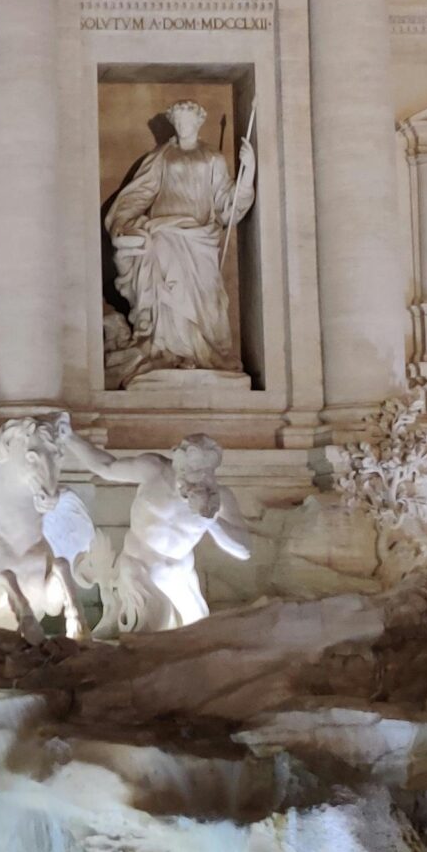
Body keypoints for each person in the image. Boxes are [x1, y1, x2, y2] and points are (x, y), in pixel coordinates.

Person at [105, 100, 254, 382]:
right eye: (179, 121)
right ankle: (167, 351)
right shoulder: (162, 156)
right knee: (165, 291)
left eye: (188, 121)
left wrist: (248, 175)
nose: (183, 126)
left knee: (206, 298)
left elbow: (227, 204)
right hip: (163, 232)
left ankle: (202, 353)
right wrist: (123, 224)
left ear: (199, 123)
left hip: (201, 239)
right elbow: (140, 193)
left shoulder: (213, 158)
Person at [79, 434, 251, 634]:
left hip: (179, 575)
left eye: (203, 473)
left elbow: (244, 550)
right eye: (188, 470)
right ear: (178, 462)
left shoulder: (218, 498)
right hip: (138, 567)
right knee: (152, 630)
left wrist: (210, 520)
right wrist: (69, 439)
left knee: (201, 632)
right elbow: (105, 467)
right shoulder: (153, 470)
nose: (195, 478)